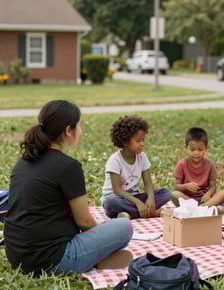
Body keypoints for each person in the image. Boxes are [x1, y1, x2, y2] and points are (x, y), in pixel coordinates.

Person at [4, 100, 133, 276]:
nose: (81, 130)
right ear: (68, 130)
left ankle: (94, 257)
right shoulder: (68, 167)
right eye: (79, 125)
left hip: (17, 257)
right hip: (52, 261)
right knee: (124, 226)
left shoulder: (23, 162)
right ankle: (94, 258)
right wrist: (101, 237)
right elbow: (85, 222)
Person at [102, 115, 171, 219]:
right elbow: (117, 190)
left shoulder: (142, 157)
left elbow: (148, 183)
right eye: (138, 141)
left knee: (166, 193)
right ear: (125, 141)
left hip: (134, 198)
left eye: (143, 140)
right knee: (110, 201)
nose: (142, 144)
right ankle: (151, 213)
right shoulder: (114, 160)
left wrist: (151, 199)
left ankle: (129, 213)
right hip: (118, 198)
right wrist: (138, 202)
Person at [171, 127, 224, 207]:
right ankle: (204, 208)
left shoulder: (209, 165)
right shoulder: (182, 164)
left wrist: (208, 194)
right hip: (188, 199)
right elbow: (177, 187)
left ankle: (202, 207)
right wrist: (186, 186)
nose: (196, 153)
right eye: (192, 150)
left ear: (206, 148)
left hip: (205, 198)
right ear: (186, 148)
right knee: (174, 195)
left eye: (200, 150)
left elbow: (213, 186)